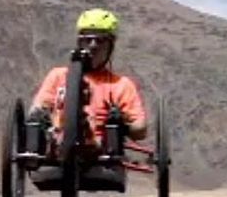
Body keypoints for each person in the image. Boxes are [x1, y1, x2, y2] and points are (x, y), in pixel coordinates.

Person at [28, 9, 147, 155]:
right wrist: (39, 118)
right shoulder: (57, 76)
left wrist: (122, 125)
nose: (93, 45)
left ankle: (91, 141)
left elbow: (140, 129)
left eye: (100, 40)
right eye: (87, 39)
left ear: (111, 46)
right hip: (56, 156)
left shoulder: (122, 85)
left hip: (103, 161)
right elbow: (38, 109)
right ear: (79, 42)